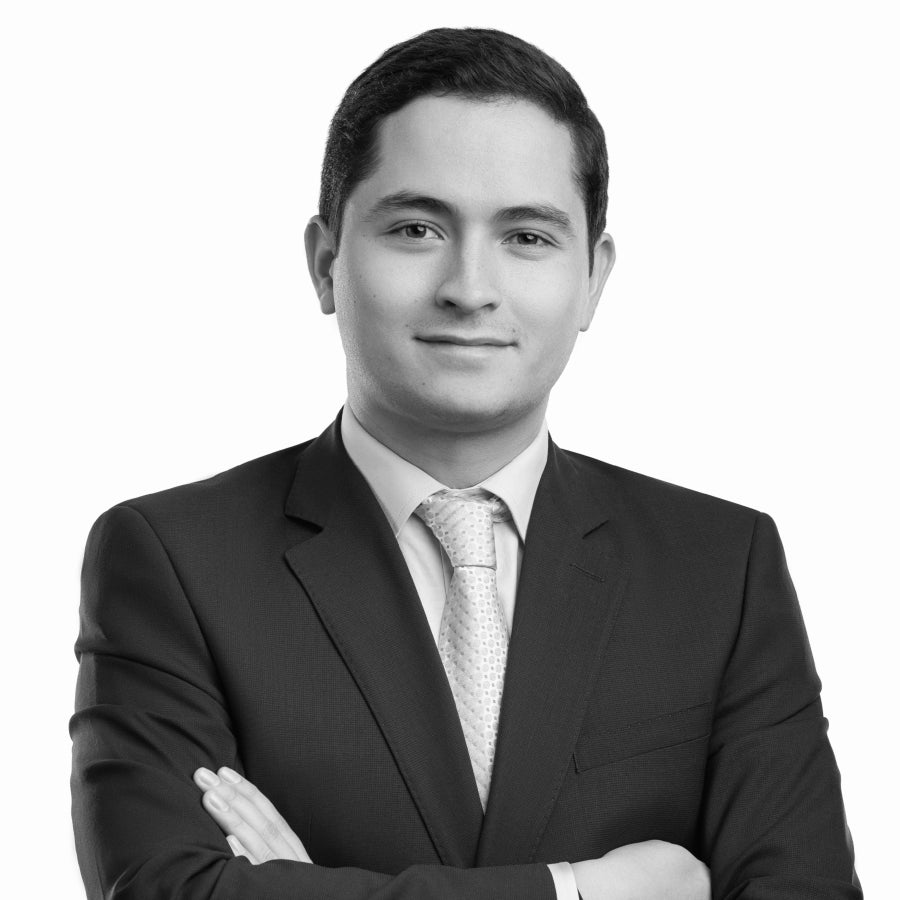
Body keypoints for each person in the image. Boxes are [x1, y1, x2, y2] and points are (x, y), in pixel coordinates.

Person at [70, 26, 861, 900]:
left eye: (527, 237)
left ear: (594, 279)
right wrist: (581, 891)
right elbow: (165, 891)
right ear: (326, 262)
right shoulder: (174, 560)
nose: (470, 288)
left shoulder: (719, 565)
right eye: (416, 228)